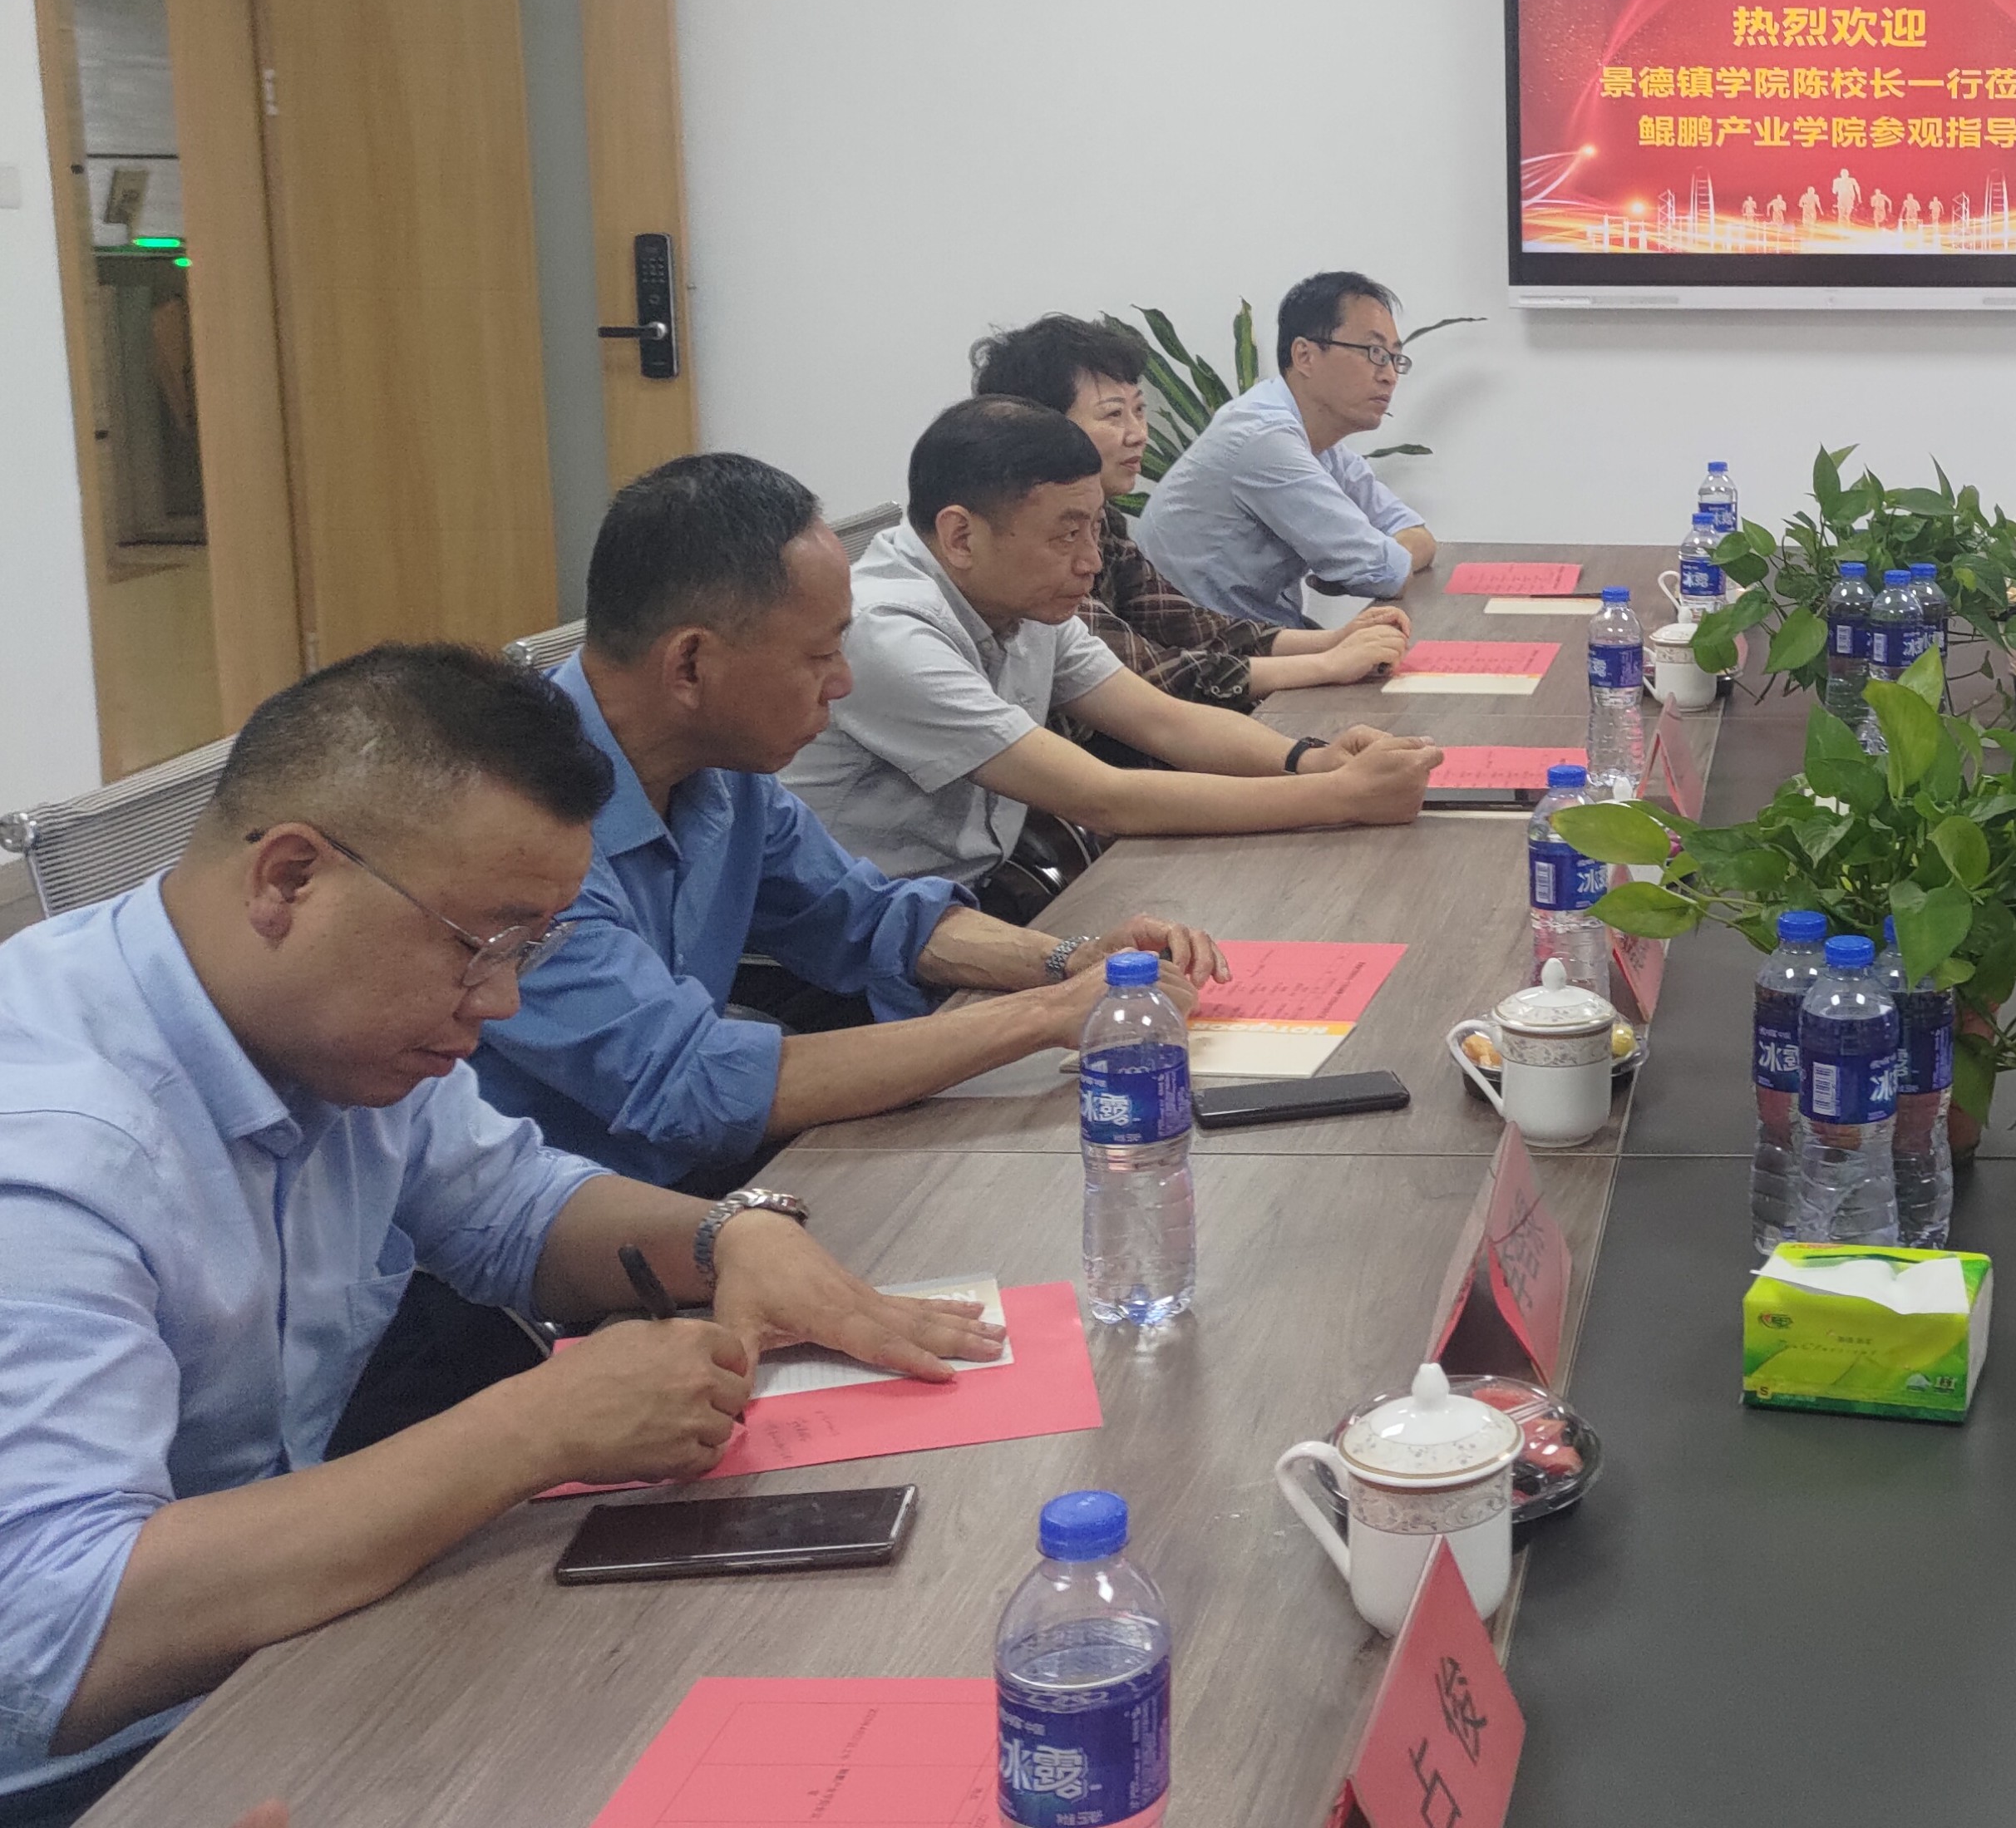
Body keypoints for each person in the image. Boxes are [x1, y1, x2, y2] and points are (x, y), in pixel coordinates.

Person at [0, 645, 999, 1824]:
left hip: (285, 1652)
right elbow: (53, 1639)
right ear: (288, 878)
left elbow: (516, 1207)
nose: (502, 1001)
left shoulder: (329, 1032)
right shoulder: (53, 1149)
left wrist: (731, 1234)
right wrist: (536, 1426)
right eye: (481, 943)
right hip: (107, 1767)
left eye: (528, 952)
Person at [479, 451, 1224, 1195]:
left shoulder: (723, 767)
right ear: (691, 666)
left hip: (689, 1180)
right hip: (554, 1225)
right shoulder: (509, 827)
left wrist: (1073, 961)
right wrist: (1048, 1014)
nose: (842, 682)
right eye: (820, 654)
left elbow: (866, 915)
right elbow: (690, 1083)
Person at [786, 397, 1437, 892]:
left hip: (972, 895)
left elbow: (1164, 721)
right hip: (862, 943)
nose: (1091, 562)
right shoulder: (888, 631)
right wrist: (1344, 797)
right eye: (1066, 535)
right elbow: (1103, 797)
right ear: (961, 537)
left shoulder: (1020, 599)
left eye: (1094, 530)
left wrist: (1314, 762)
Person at [968, 315, 1410, 709]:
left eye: (1139, 411)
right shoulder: (1024, 545)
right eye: (1114, 415)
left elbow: (1192, 625)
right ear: (1040, 427)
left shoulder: (1105, 521)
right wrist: (1327, 663)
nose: (1137, 434)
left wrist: (1334, 641)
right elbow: (1145, 672)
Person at [1132, 272, 1437, 628]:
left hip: (1261, 634)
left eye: (1394, 358)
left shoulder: (1321, 444)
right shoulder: (1263, 438)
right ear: (1305, 356)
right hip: (1207, 650)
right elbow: (1385, 572)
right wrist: (1394, 557)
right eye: (1374, 353)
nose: (1389, 375)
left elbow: (1413, 533)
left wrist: (1395, 556)